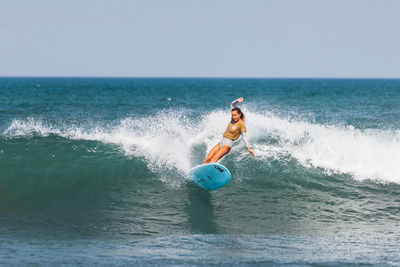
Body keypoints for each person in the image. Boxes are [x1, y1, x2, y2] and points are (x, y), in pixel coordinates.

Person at [203, 97, 255, 164]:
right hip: (222, 141)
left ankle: (212, 173)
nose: (233, 117)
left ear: (239, 114)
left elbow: (244, 136)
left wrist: (248, 148)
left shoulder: (241, 124)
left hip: (227, 145)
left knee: (213, 160)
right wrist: (237, 100)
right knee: (207, 159)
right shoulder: (233, 119)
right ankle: (202, 173)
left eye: (235, 115)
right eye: (232, 115)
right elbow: (232, 105)